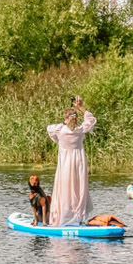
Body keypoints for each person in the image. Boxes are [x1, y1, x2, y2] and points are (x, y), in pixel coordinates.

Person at [47, 97, 96, 226]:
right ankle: (78, 217)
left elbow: (50, 129)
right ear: (76, 118)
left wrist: (64, 124)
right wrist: (80, 107)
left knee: (64, 189)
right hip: (79, 163)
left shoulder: (60, 130)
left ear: (65, 117)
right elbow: (91, 119)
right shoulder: (80, 130)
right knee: (78, 188)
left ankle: (64, 216)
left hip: (65, 164)